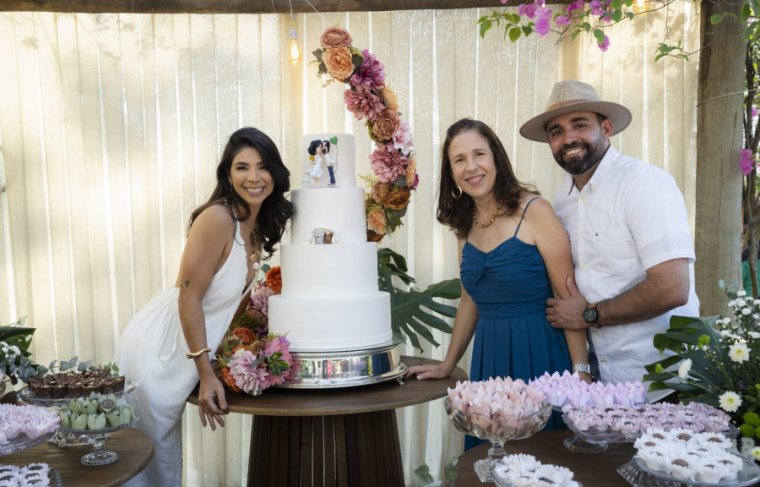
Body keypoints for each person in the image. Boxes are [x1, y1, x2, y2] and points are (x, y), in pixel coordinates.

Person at [113, 127, 293, 486]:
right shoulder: (218, 218)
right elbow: (188, 296)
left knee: (162, 464)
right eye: (242, 167)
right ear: (228, 173)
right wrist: (206, 372)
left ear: (275, 172)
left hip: (191, 352)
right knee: (151, 463)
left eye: (263, 167)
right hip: (161, 349)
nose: (254, 178)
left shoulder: (254, 225)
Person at [405, 118, 588, 448]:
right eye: (459, 160)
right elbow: (470, 301)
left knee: (542, 463)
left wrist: (581, 372)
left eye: (479, 155)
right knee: (491, 463)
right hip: (489, 360)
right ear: (451, 172)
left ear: (496, 159)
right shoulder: (464, 224)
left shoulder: (535, 210)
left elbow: (567, 297)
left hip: (541, 355)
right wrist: (448, 363)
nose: (471, 167)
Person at [519, 80, 700, 401]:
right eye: (556, 131)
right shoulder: (561, 200)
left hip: (668, 380)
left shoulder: (645, 184)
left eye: (579, 125)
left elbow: (672, 287)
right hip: (604, 385)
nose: (568, 138)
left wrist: (590, 314)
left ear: (606, 128)